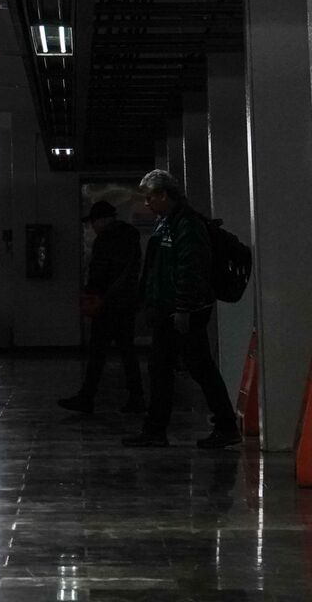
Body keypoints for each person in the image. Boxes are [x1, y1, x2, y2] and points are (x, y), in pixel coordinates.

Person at [122, 170, 241, 449]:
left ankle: (224, 426)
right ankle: (157, 430)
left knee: (198, 368)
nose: (147, 203)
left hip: (183, 311)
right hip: (170, 310)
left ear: (165, 195)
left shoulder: (187, 225)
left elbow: (191, 268)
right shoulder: (168, 223)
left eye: (151, 197)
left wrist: (184, 309)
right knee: (164, 369)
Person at [58, 200, 145, 414]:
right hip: (127, 302)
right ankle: (137, 398)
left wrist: (93, 293)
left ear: (101, 220)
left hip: (108, 304)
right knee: (127, 351)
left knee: (97, 353)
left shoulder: (106, 239)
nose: (92, 227)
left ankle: (87, 398)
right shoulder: (131, 236)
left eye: (93, 222)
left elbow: (100, 272)